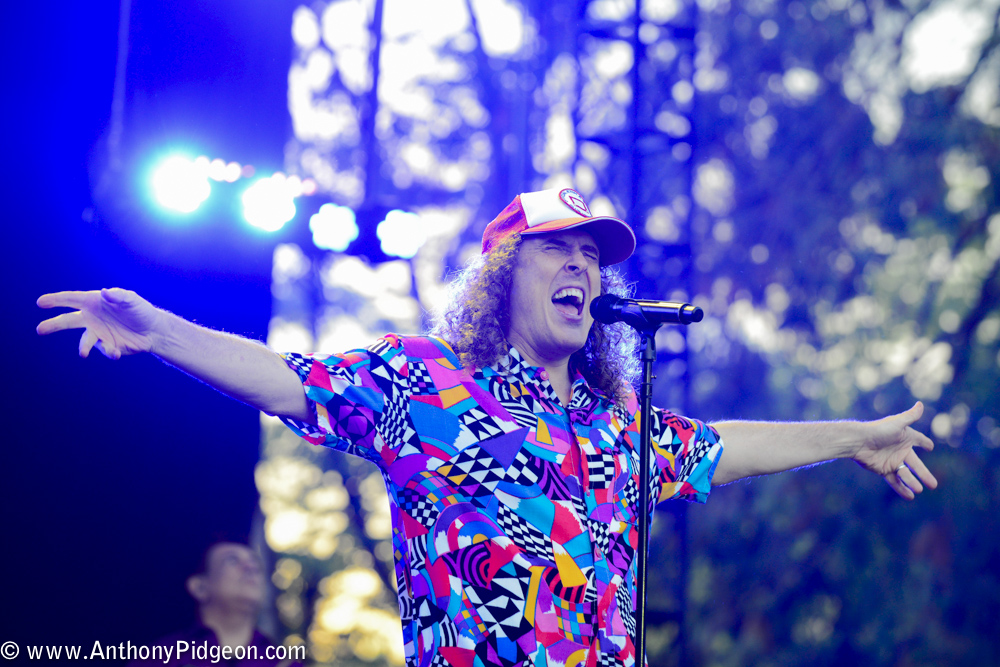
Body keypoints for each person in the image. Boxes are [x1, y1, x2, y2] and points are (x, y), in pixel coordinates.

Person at [38, 187, 937, 667]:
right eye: (561, 249)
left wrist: (854, 435)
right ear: (503, 273)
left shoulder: (614, 424)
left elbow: (722, 447)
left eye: (593, 255)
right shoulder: (427, 385)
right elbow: (284, 381)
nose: (583, 265)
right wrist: (161, 331)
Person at [129, 541, 303, 666]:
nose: (251, 568)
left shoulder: (282, 662)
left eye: (255, 564)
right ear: (200, 587)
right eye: (232, 560)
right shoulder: (160, 657)